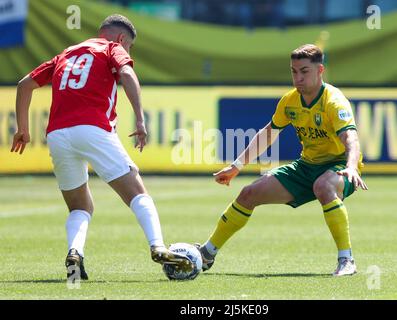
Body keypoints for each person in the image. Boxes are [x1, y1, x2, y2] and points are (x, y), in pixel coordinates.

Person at [11, 14, 193, 280]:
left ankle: (75, 255)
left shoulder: (66, 53)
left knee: (80, 207)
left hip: (58, 134)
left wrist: (23, 129)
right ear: (121, 39)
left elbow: (24, 85)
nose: (127, 52)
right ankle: (158, 247)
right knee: (137, 192)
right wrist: (140, 119)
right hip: (93, 129)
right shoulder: (112, 48)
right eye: (128, 47)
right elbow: (128, 73)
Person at [196, 44, 368, 276]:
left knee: (324, 186)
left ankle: (347, 260)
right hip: (306, 166)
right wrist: (236, 166)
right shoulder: (290, 101)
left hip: (339, 166)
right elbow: (268, 133)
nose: (298, 78)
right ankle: (207, 253)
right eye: (293, 71)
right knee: (248, 193)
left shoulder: (334, 101)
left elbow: (351, 138)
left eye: (304, 71)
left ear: (320, 71)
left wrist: (350, 167)